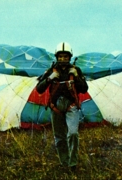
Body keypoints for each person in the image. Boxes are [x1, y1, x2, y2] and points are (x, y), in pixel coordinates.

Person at [36, 42, 88, 171]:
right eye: (60, 57)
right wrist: (49, 79)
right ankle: (64, 162)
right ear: (57, 57)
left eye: (65, 57)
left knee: (73, 133)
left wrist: (76, 76)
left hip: (71, 106)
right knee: (59, 137)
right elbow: (39, 89)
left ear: (70, 57)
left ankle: (73, 163)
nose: (63, 59)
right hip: (56, 106)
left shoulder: (76, 70)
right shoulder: (51, 70)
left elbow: (84, 89)